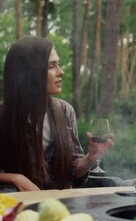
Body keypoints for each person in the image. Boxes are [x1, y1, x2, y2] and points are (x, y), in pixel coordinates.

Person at [0, 36, 114, 192]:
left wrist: (91, 157)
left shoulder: (65, 111)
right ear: (29, 73)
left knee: (119, 183)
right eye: (51, 66)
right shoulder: (3, 116)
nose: (61, 72)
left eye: (58, 64)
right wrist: (14, 178)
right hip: (19, 207)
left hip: (59, 204)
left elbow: (73, 172)